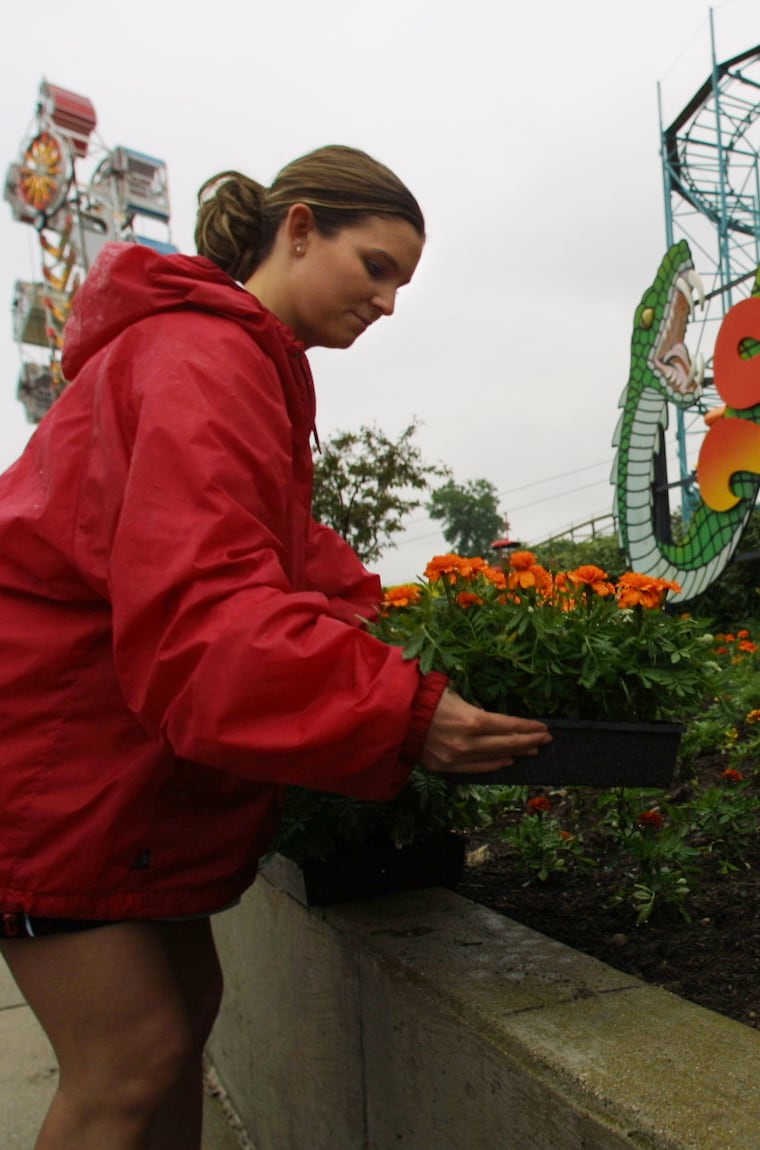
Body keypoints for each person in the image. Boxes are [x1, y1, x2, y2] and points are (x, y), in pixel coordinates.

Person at [0, 144, 551, 1150]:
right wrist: (409, 711)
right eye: (375, 267)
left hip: (97, 754)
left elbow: (294, 562)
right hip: (50, 755)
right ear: (299, 228)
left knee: (181, 1018)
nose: (388, 303)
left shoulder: (235, 360)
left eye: (403, 285)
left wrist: (426, 645)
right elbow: (204, 610)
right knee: (129, 1057)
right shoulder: (202, 356)